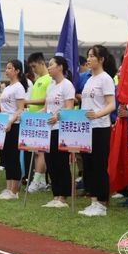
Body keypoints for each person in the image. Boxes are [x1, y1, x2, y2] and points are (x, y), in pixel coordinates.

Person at [78, 45, 117, 217]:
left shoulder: (105, 79)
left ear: (101, 59)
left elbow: (111, 104)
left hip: (100, 127)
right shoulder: (89, 79)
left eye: (92, 56)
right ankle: (93, 200)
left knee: (99, 164)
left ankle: (101, 203)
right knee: (88, 165)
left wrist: (97, 114)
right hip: (86, 127)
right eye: (88, 55)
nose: (88, 59)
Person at [42, 56, 75, 208]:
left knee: (61, 162)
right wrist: (32, 116)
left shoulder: (67, 85)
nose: (48, 68)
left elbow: (69, 107)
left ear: (60, 67)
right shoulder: (51, 86)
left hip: (61, 129)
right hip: (49, 129)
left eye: (51, 65)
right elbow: (46, 108)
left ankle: (63, 196)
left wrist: (57, 116)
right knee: (50, 162)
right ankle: (55, 195)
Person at [0, 59, 28, 200]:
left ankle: (14, 190)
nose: (6, 70)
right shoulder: (8, 87)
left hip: (13, 125)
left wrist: (11, 121)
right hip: (4, 124)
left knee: (13, 157)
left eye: (10, 68)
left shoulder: (19, 87)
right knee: (6, 157)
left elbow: (20, 109)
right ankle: (8, 188)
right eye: (6, 68)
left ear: (17, 71)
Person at [25, 52, 50, 193]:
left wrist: (27, 101)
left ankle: (37, 179)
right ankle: (40, 181)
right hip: (35, 119)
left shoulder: (48, 79)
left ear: (42, 63)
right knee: (35, 151)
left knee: (40, 151)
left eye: (34, 66)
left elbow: (46, 100)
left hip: (43, 119)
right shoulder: (38, 80)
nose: (33, 69)